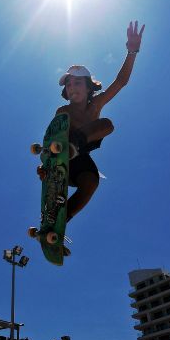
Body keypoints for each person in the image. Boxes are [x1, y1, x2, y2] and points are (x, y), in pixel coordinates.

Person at [33, 21, 145, 231]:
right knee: (67, 122)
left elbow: (120, 82)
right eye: (68, 84)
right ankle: (65, 153)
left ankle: (62, 217)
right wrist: (46, 163)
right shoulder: (63, 111)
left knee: (92, 180)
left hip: (80, 155)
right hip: (61, 153)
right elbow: (50, 137)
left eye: (77, 83)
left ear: (88, 87)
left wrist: (132, 52)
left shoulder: (96, 104)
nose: (72, 87)